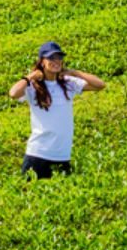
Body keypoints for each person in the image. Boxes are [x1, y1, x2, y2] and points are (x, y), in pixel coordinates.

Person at [7, 40, 106, 180]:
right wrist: (31, 76)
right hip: (38, 155)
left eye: (59, 57)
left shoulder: (68, 83)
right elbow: (13, 93)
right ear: (42, 62)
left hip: (62, 154)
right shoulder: (33, 87)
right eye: (51, 58)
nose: (56, 61)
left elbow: (100, 85)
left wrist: (74, 72)